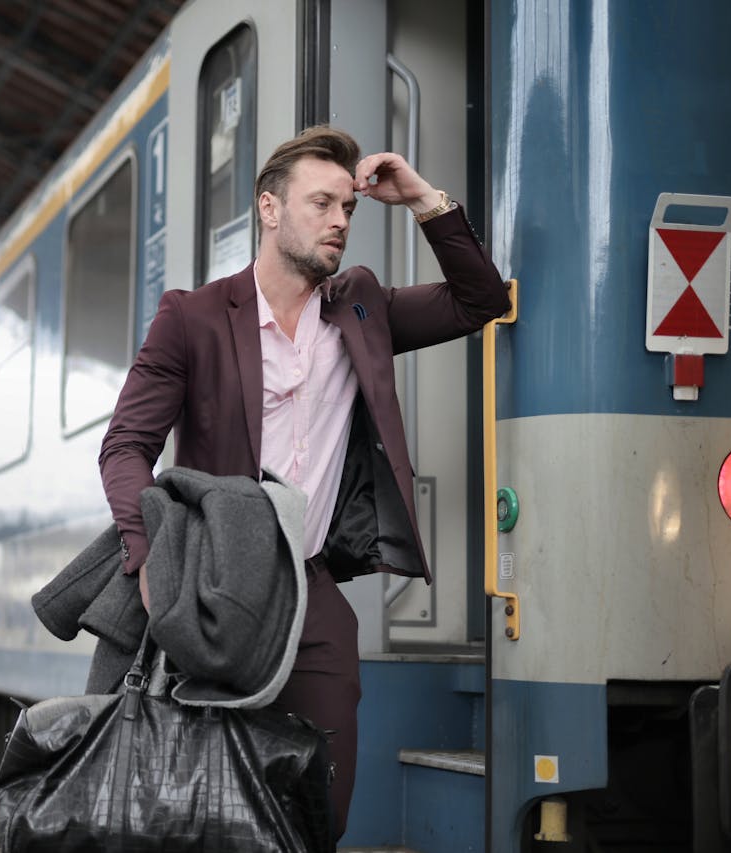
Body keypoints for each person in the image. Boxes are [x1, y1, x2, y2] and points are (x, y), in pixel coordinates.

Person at [98, 125, 510, 838]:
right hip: (213, 587)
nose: (340, 221)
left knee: (321, 805)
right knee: (204, 799)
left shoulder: (360, 308)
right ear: (269, 209)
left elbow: (480, 300)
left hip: (313, 592)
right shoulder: (192, 318)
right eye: (321, 203)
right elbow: (126, 447)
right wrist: (149, 558)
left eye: (347, 208)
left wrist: (421, 198)